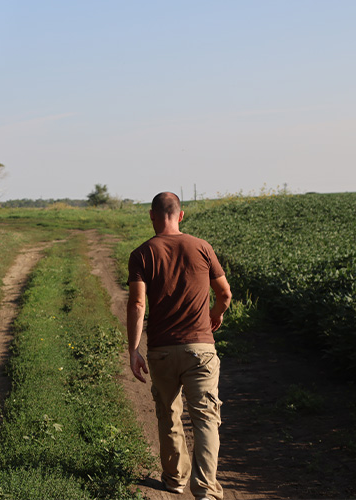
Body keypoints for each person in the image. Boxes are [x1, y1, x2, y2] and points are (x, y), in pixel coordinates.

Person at [127, 192, 231, 500]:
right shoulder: (202, 248)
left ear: (151, 216)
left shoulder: (142, 253)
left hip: (161, 350)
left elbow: (136, 303)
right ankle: (206, 490)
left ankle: (174, 480)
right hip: (200, 349)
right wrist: (216, 315)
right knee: (206, 418)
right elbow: (224, 293)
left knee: (169, 413)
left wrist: (134, 348)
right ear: (181, 215)